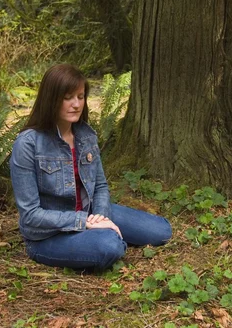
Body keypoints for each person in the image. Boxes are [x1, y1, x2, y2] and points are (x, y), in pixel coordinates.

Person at [10, 64, 172, 270]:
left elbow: (100, 186)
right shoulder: (28, 144)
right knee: (110, 245)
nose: (76, 104)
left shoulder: (85, 135)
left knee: (162, 232)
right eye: (67, 97)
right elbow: (31, 215)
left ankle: (97, 235)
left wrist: (101, 217)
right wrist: (84, 222)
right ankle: (96, 239)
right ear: (50, 99)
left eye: (80, 96)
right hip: (48, 235)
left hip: (90, 214)